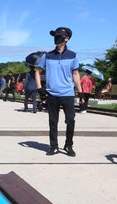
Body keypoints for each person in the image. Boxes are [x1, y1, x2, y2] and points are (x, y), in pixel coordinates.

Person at [35, 27, 84, 157]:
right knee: (53, 121)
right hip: (52, 94)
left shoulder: (72, 55)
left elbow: (75, 74)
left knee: (71, 120)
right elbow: (37, 72)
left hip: (68, 93)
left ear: (66, 38)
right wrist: (40, 88)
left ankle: (68, 145)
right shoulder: (48, 55)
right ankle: (53, 146)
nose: (56, 38)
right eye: (55, 35)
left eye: (59, 36)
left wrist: (81, 93)